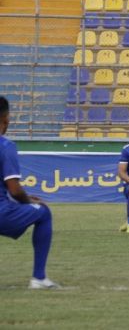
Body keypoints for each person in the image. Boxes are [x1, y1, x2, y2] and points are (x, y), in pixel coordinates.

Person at [0, 96, 59, 289]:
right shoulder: (6, 146)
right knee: (43, 213)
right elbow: (15, 190)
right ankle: (39, 278)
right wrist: (28, 201)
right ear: (6, 119)